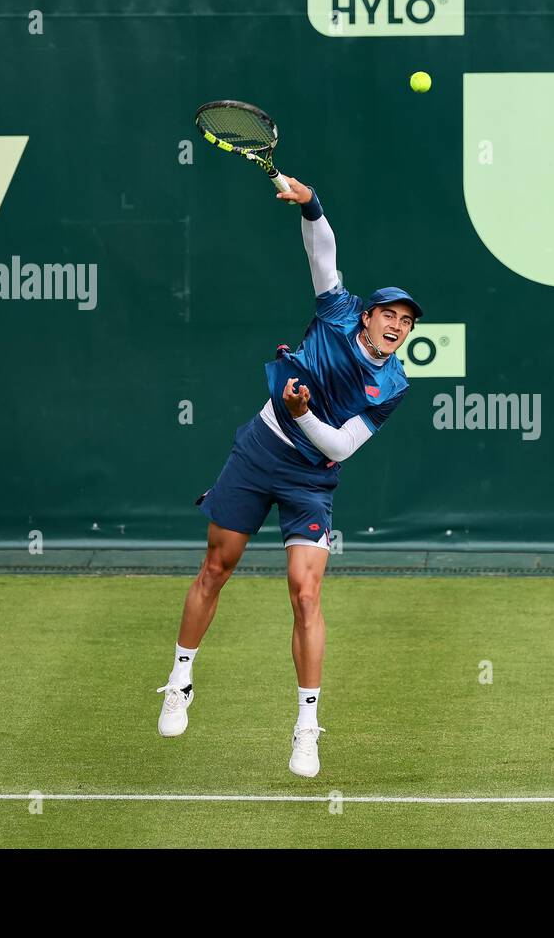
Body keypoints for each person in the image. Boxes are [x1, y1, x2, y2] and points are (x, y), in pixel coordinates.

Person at [155, 176, 422, 778]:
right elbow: (321, 251)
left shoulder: (394, 385)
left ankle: (306, 727)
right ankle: (180, 678)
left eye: (406, 322)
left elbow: (343, 447)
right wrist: (311, 204)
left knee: (306, 594)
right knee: (216, 568)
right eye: (389, 314)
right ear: (370, 314)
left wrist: (305, 417)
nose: (397, 326)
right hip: (258, 452)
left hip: (311, 479)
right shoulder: (335, 311)